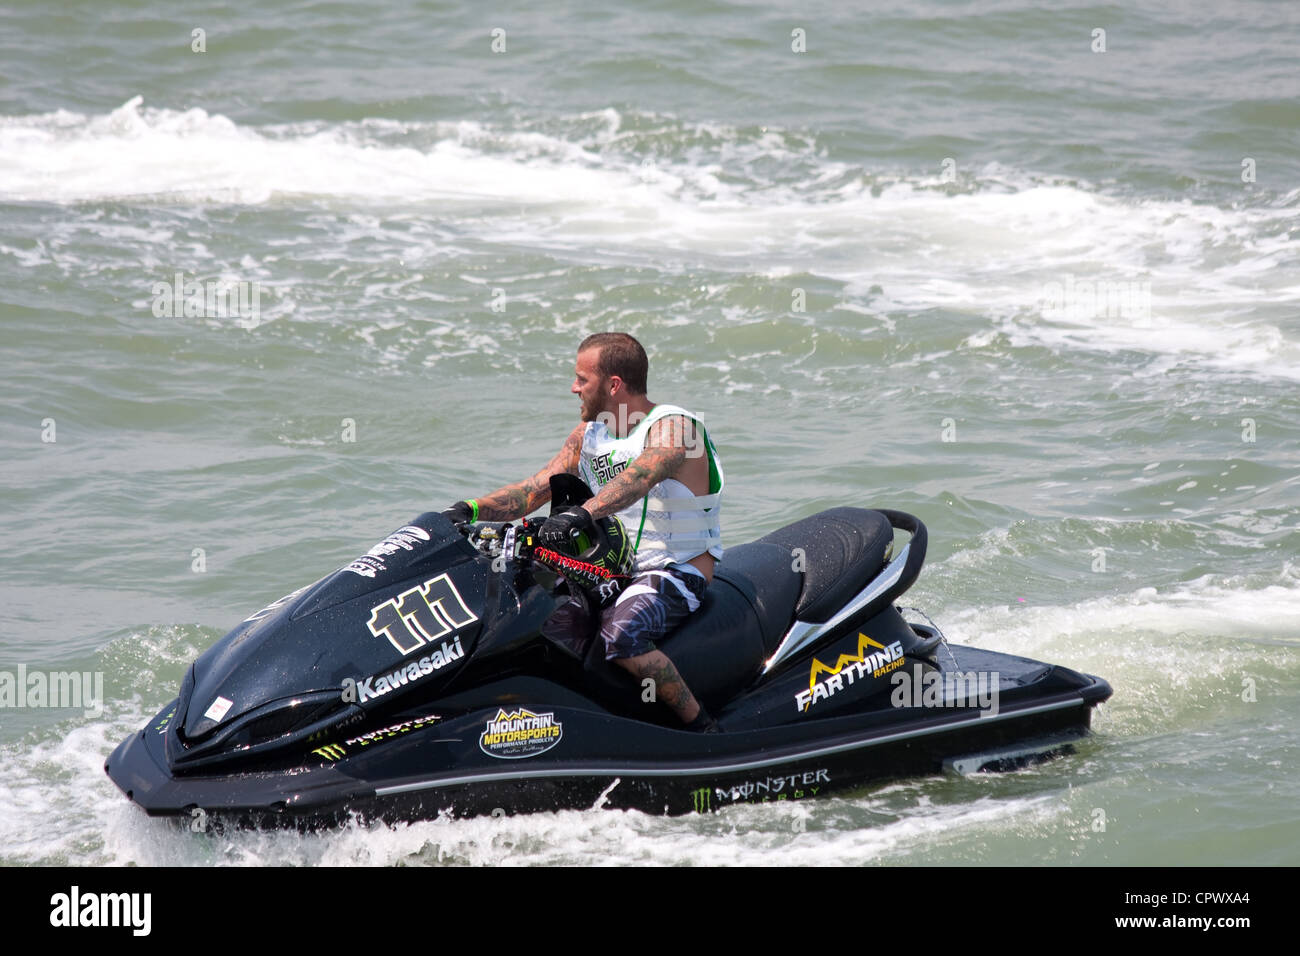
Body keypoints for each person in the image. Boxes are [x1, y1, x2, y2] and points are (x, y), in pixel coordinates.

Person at [442, 332, 724, 732]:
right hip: (608, 570)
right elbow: (533, 489)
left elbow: (642, 476)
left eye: (582, 379)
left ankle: (701, 727)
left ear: (613, 385)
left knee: (622, 636)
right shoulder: (588, 436)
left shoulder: (675, 428)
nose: (573, 388)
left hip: (677, 570)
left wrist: (583, 513)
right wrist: (469, 510)